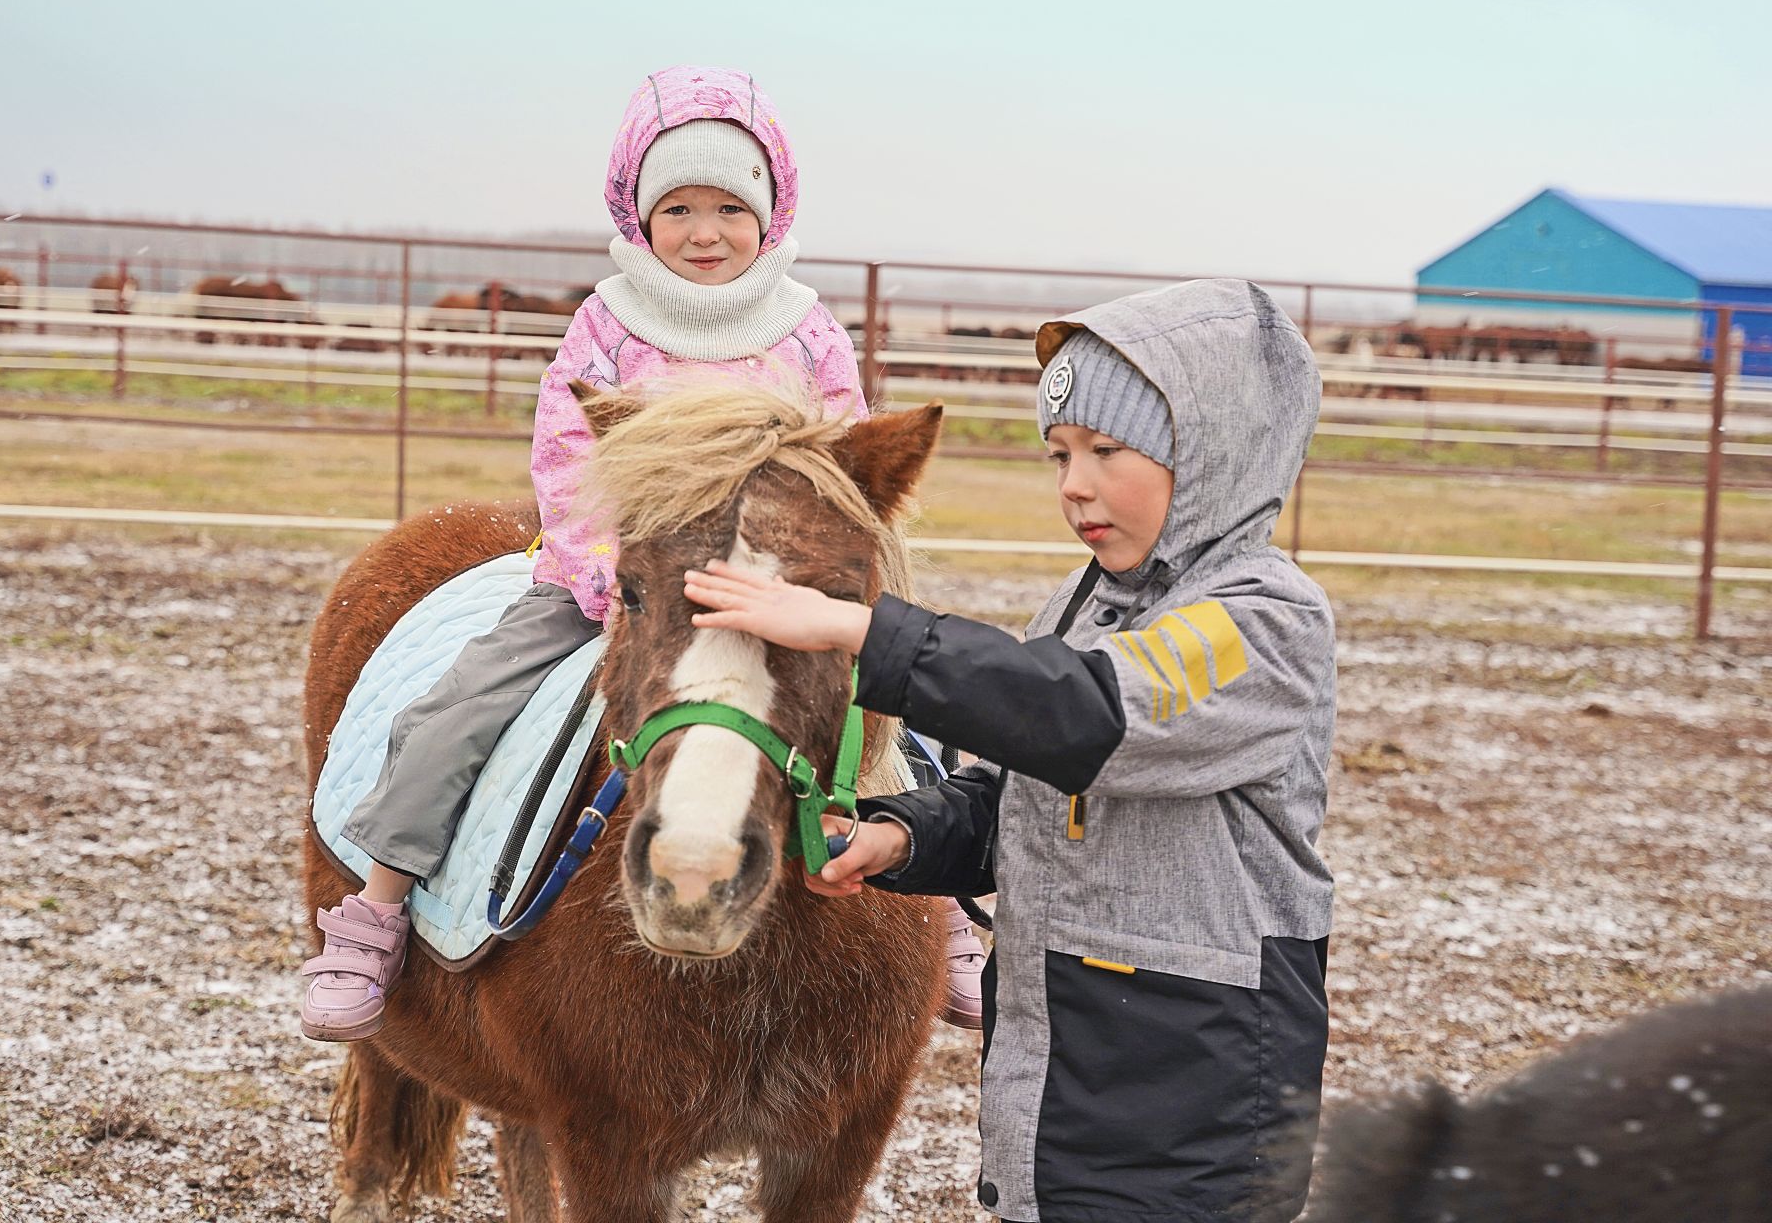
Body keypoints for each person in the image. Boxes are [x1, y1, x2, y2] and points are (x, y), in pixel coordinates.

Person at [302, 66, 985, 1041]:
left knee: (890, 728)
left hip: (768, 592)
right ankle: (375, 908)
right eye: (677, 207)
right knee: (461, 710)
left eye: (727, 207)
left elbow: (841, 463)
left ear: (769, 211)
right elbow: (568, 455)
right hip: (617, 587)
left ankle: (947, 911)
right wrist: (605, 575)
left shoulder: (807, 330)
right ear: (638, 212)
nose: (704, 231)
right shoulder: (609, 326)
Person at [684, 279, 1336, 1222]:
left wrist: (864, 631)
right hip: (1068, 1063)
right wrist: (900, 838)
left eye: (1107, 451)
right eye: (1060, 453)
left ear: (1213, 455)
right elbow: (1016, 791)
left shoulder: (1263, 621)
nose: (1074, 483)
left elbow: (1086, 720)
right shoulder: (1088, 605)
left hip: (1193, 1082)